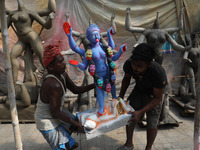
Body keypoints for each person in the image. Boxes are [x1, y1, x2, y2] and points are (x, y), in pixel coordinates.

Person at [34, 45, 95, 150]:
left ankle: (65, 140)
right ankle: (62, 143)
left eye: (63, 60)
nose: (64, 63)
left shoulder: (62, 74)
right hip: (46, 121)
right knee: (73, 125)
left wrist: (94, 86)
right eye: (60, 62)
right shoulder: (52, 84)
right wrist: (75, 122)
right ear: (51, 67)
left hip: (55, 113)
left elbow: (76, 89)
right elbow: (55, 113)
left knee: (74, 122)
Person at [63, 22, 127, 116]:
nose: (96, 36)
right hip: (98, 74)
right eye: (93, 35)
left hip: (108, 70)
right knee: (100, 90)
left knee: (112, 84)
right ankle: (101, 108)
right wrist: (69, 36)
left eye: (97, 34)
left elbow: (113, 57)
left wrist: (120, 50)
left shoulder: (103, 47)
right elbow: (76, 50)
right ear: (88, 37)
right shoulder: (88, 52)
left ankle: (114, 98)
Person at [117, 43, 168, 150]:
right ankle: (129, 144)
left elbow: (157, 98)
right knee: (130, 118)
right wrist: (120, 97)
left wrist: (140, 112)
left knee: (152, 123)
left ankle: (148, 148)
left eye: (139, 66)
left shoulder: (158, 73)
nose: (135, 68)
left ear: (149, 64)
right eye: (134, 64)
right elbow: (126, 80)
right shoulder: (129, 64)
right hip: (139, 90)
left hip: (153, 95)